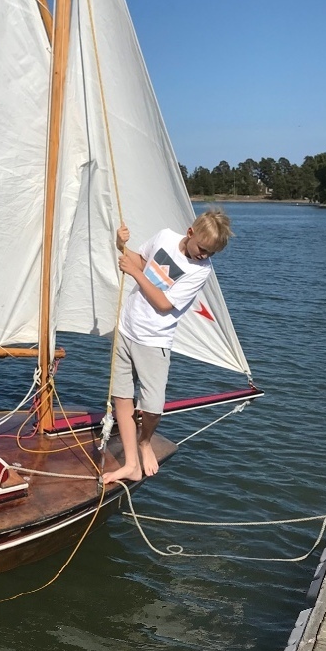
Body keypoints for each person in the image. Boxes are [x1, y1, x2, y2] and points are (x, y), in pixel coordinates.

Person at [102, 208, 234, 487]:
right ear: (190, 233)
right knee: (122, 400)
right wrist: (120, 243)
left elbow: (164, 304)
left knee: (152, 408)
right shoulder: (164, 237)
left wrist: (136, 273)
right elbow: (137, 259)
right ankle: (130, 465)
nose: (204, 256)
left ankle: (145, 441)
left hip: (154, 340)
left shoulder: (200, 271)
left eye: (210, 253)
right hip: (127, 327)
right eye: (202, 249)